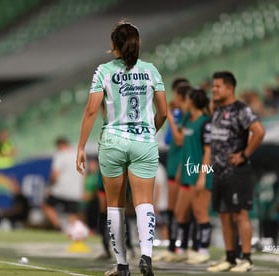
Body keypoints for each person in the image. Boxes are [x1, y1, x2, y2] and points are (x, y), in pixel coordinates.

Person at [76, 21, 167, 276]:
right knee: (144, 203)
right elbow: (164, 112)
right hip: (144, 141)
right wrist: (148, 132)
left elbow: (92, 110)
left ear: (114, 45)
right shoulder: (151, 71)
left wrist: (81, 146)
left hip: (113, 142)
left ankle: (122, 265)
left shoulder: (104, 71)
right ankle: (147, 256)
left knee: (114, 205)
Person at [207, 71, 265, 272]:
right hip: (219, 172)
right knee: (224, 214)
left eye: (218, 86)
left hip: (237, 171)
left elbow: (259, 131)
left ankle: (246, 259)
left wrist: (244, 155)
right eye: (213, 86)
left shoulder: (241, 109)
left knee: (240, 214)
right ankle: (230, 257)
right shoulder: (216, 109)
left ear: (230, 88)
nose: (213, 89)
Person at [167, 88, 213, 264]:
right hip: (186, 174)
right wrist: (180, 170)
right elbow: (182, 144)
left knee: (201, 213)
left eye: (186, 100)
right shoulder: (188, 119)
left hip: (199, 174)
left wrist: (202, 176)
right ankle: (183, 249)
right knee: (180, 212)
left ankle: (203, 249)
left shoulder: (205, 123)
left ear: (192, 102)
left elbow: (208, 152)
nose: (183, 104)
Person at [154, 79, 191, 263]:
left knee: (182, 209)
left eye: (175, 95)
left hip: (184, 165)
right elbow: (169, 140)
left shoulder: (188, 116)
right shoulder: (178, 114)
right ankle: (175, 247)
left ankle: (186, 246)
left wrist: (168, 114)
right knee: (173, 208)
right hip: (174, 162)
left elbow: (178, 140)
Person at [42, 137, 84, 231]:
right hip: (75, 191)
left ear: (60, 145)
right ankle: (78, 232)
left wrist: (50, 186)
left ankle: (59, 227)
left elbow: (54, 175)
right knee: (72, 214)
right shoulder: (79, 155)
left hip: (60, 190)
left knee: (46, 206)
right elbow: (83, 175)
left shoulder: (61, 155)